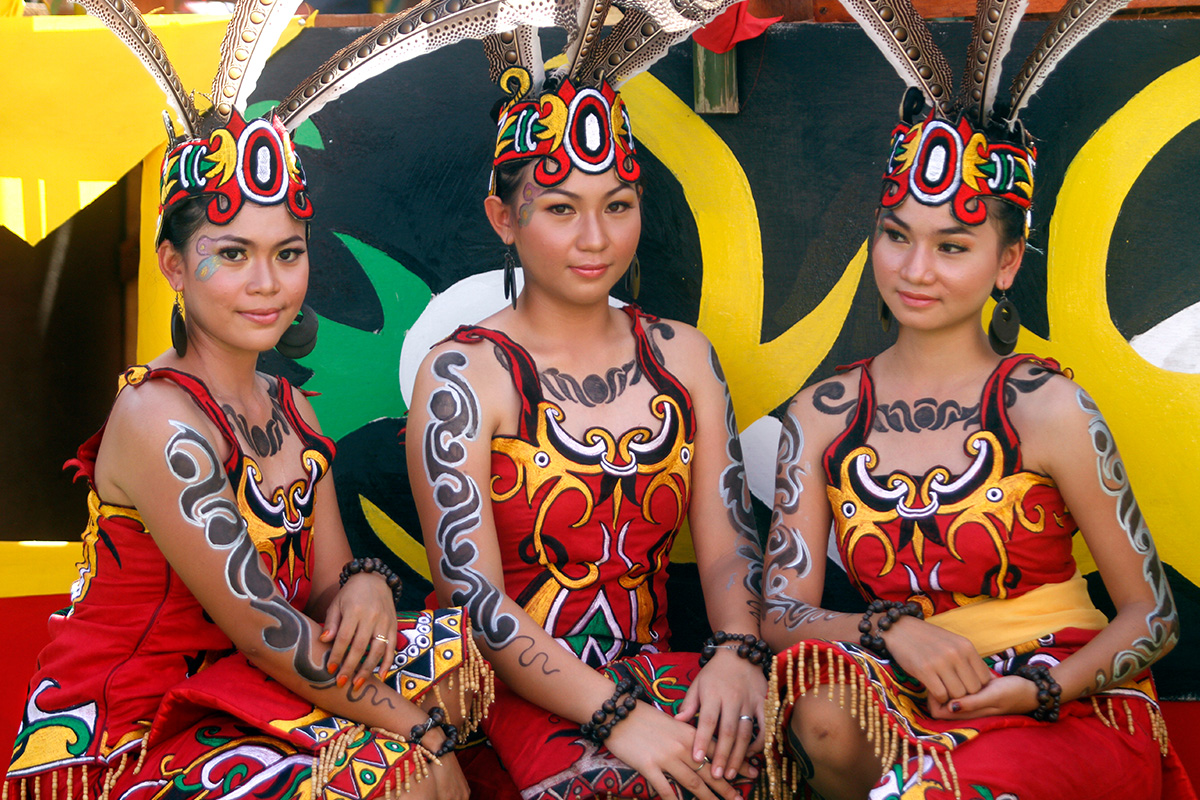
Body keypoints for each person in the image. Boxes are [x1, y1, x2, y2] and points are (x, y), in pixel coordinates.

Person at [2, 4, 499, 799]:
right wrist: (413, 729)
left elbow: (330, 586)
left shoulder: (289, 406)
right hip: (135, 724)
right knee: (412, 766)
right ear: (172, 264)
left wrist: (367, 582)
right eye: (231, 255)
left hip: (241, 692)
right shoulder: (160, 421)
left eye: (287, 254)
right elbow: (266, 631)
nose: (266, 284)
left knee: (461, 661)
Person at [758, 1, 1196, 798]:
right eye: (897, 235)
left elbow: (1152, 617)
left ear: (1006, 261)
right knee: (815, 704)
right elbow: (781, 614)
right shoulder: (820, 415)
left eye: (952, 246)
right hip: (909, 693)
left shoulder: (1046, 406)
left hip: (1061, 697)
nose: (915, 269)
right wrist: (893, 629)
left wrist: (1044, 688)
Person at [405, 7, 771, 799]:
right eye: (562, 208)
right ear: (505, 219)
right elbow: (475, 600)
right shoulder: (463, 376)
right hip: (503, 690)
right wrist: (616, 718)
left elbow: (723, 549)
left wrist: (738, 652)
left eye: (617, 204)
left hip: (655, 675)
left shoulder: (684, 358)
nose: (596, 238)